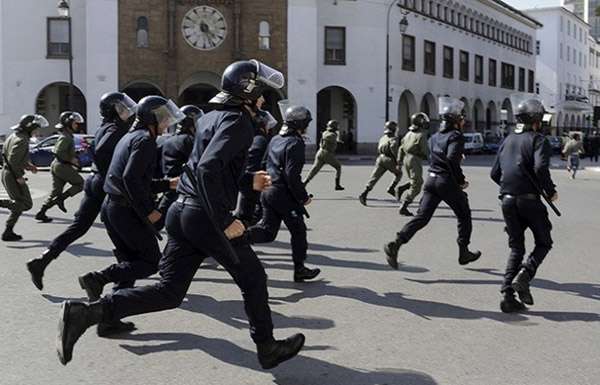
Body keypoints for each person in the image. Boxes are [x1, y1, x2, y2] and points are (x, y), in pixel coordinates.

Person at [56, 60, 305, 369]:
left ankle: (86, 313)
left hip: (183, 211)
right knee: (253, 278)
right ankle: (267, 347)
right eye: (262, 94)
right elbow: (207, 168)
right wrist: (225, 220)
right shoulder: (239, 122)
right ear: (249, 92)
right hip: (205, 217)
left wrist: (246, 181)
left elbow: (208, 167)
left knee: (170, 292)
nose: (264, 100)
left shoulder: (212, 118)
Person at [75, 96, 182, 337]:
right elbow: (131, 179)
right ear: (152, 118)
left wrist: (167, 184)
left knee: (130, 264)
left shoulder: (131, 136)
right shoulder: (144, 140)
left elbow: (134, 179)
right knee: (149, 262)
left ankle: (109, 320)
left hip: (113, 207)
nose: (167, 122)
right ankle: (97, 278)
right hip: (125, 211)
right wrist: (149, 211)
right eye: (163, 117)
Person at [26, 92, 136, 290]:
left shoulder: (105, 127)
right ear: (114, 110)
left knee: (80, 226)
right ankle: (122, 285)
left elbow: (93, 149)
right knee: (120, 230)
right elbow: (101, 151)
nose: (126, 111)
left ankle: (42, 261)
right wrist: (111, 172)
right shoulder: (116, 128)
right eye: (122, 108)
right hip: (105, 183)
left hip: (96, 180)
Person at [383, 97, 481, 269]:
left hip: (432, 180)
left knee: (422, 217)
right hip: (446, 181)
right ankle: (464, 251)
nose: (463, 121)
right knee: (464, 214)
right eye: (462, 118)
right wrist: (460, 181)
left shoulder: (434, 137)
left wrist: (453, 159)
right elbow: (451, 160)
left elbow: (433, 156)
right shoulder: (456, 136)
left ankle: (396, 243)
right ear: (456, 121)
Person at [490, 94, 557, 313]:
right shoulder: (538, 140)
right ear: (536, 120)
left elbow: (494, 173)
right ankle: (525, 275)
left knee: (516, 248)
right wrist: (550, 191)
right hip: (529, 200)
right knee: (544, 242)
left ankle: (508, 295)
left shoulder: (507, 139)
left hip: (507, 200)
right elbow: (540, 168)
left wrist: (511, 185)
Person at [247, 104, 320, 282]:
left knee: (267, 231)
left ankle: (235, 237)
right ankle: (300, 269)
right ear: (301, 124)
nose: (308, 126)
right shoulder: (295, 143)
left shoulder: (275, 139)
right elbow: (292, 175)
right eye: (306, 123)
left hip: (268, 191)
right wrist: (303, 198)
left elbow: (264, 164)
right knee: (298, 230)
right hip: (283, 194)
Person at [154, 105, 203, 230]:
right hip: (183, 186)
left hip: (169, 184)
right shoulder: (190, 141)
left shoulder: (169, 140)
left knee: (162, 217)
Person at [0, 114, 48, 241]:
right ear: (29, 127)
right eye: (36, 128)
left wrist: (29, 166)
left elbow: (10, 157)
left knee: (18, 203)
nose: (37, 131)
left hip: (8, 172)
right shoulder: (22, 140)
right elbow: (13, 161)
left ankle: (8, 231)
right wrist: (18, 177)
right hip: (12, 174)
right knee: (26, 204)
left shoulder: (14, 136)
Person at [35, 112, 85, 223]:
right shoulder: (66, 136)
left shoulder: (67, 135)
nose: (77, 125)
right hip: (61, 166)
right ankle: (61, 199)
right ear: (68, 123)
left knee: (55, 192)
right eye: (75, 123)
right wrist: (71, 159)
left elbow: (63, 151)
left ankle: (41, 212)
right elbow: (58, 152)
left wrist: (77, 152)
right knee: (80, 184)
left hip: (58, 165)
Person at [234, 104, 278, 226]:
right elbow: (252, 163)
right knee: (247, 216)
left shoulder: (253, 136)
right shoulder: (259, 139)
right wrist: (253, 180)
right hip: (253, 184)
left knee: (252, 214)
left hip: (252, 183)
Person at [358, 121, 407, 206]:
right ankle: (391, 188)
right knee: (399, 174)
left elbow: (378, 148)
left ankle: (364, 193)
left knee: (374, 178)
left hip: (380, 158)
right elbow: (394, 150)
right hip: (389, 159)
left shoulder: (383, 138)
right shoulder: (394, 139)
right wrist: (398, 162)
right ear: (394, 129)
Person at [398, 113, 430, 216]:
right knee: (417, 184)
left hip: (406, 159)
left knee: (414, 180)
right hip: (415, 159)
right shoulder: (421, 135)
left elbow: (401, 148)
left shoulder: (408, 134)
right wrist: (431, 160)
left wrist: (399, 161)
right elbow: (426, 151)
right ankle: (404, 205)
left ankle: (402, 188)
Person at [303, 120, 344, 190]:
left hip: (320, 152)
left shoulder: (325, 132)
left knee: (314, 170)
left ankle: (304, 183)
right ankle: (337, 185)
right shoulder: (333, 135)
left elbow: (327, 138)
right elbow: (330, 138)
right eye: (337, 126)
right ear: (334, 127)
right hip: (327, 153)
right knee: (338, 167)